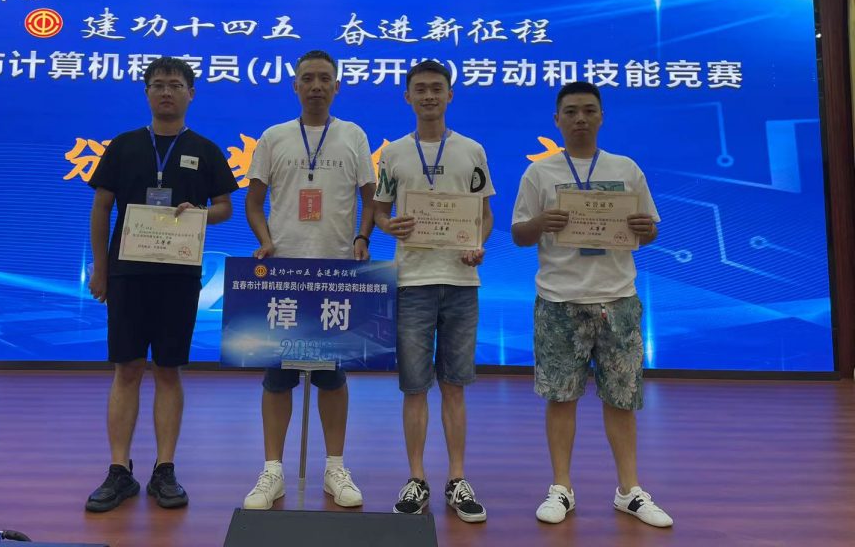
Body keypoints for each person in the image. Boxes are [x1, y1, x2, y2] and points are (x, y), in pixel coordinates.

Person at [511, 81, 673, 528]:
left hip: (618, 299)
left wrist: (645, 229)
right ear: (557, 120)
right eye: (571, 112)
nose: (580, 118)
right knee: (561, 397)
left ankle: (629, 490)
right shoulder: (539, 173)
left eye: (588, 110)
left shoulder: (626, 168)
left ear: (601, 116)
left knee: (622, 400)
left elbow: (650, 230)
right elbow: (519, 234)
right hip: (559, 301)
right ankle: (561, 487)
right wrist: (541, 222)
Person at [84, 56, 238, 513]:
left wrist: (200, 214)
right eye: (157, 84)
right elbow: (101, 208)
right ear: (147, 93)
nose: (166, 91)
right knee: (127, 368)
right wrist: (101, 267)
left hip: (178, 275)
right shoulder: (124, 145)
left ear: (191, 93)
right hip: (127, 274)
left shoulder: (205, 149)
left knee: (168, 370)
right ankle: (119, 470)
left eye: (175, 84)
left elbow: (226, 207)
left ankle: (164, 469)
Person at [241, 49, 375, 511]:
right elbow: (253, 203)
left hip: (335, 272)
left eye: (324, 79)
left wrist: (362, 237)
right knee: (277, 377)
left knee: (331, 377)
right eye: (308, 78)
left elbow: (371, 198)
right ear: (295, 85)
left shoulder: (353, 135)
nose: (316, 86)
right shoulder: (274, 137)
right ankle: (272, 471)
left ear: (337, 86)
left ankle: (335, 467)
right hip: (285, 274)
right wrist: (265, 241)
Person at [372, 60, 493, 524]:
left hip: (461, 283)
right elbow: (380, 211)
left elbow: (485, 215)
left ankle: (457, 478)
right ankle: (417, 478)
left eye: (436, 89)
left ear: (450, 95)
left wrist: (478, 242)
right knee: (415, 387)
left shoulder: (472, 150)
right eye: (420, 89)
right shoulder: (395, 154)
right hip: (412, 282)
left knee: (455, 386)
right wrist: (389, 226)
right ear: (407, 97)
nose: (428, 96)